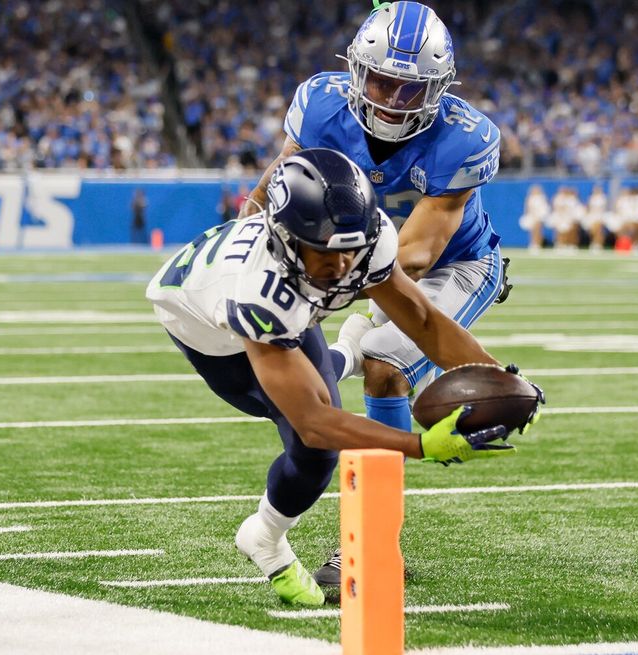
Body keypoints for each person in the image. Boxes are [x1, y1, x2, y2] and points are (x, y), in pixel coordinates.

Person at [146, 149, 535, 606]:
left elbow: (423, 320)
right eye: (325, 253)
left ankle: (345, 352)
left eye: (352, 249)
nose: (344, 266)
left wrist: (499, 378)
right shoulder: (259, 293)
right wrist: (421, 446)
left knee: (314, 402)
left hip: (287, 303)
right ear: (286, 242)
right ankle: (265, 537)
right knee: (314, 443)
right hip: (208, 327)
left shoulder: (362, 241)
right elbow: (315, 422)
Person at [237, 1, 511, 585]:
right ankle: (351, 349)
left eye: (410, 90)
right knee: (347, 357)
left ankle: (372, 544)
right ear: (356, 71)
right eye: (381, 81)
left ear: (437, 89)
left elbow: (412, 256)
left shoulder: (464, 140)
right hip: (354, 254)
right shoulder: (320, 103)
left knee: (386, 365)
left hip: (453, 267)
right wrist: (247, 233)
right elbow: (282, 181)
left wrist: (328, 283)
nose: (391, 100)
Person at [520, 185, 551, 253]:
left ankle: (538, 244)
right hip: (532, 217)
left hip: (540, 217)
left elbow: (545, 209)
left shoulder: (542, 198)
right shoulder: (530, 198)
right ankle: (533, 243)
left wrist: (539, 216)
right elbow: (527, 209)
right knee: (533, 231)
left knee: (538, 230)